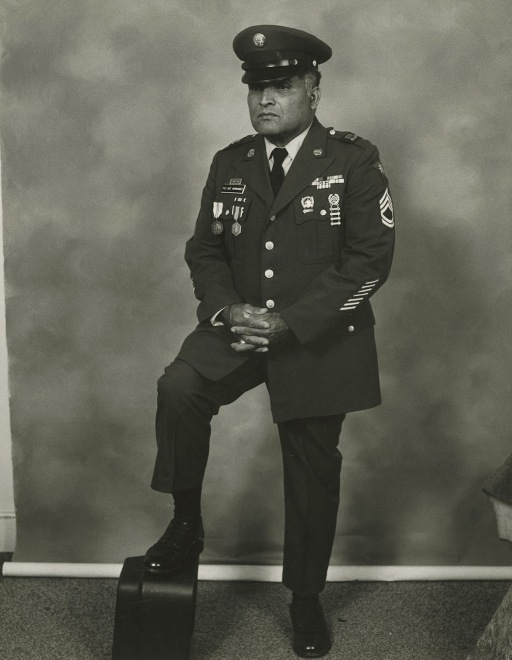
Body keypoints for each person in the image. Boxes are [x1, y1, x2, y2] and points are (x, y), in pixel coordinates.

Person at [143, 24, 395, 658]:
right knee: (179, 388)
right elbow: (204, 250)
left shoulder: (353, 161)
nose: (265, 100)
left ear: (314, 87)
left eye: (281, 86)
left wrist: (291, 322)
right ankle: (186, 524)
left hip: (316, 333)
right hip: (240, 323)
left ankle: (306, 600)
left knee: (311, 470)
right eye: (256, 87)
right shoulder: (230, 162)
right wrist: (228, 310)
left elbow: (369, 262)